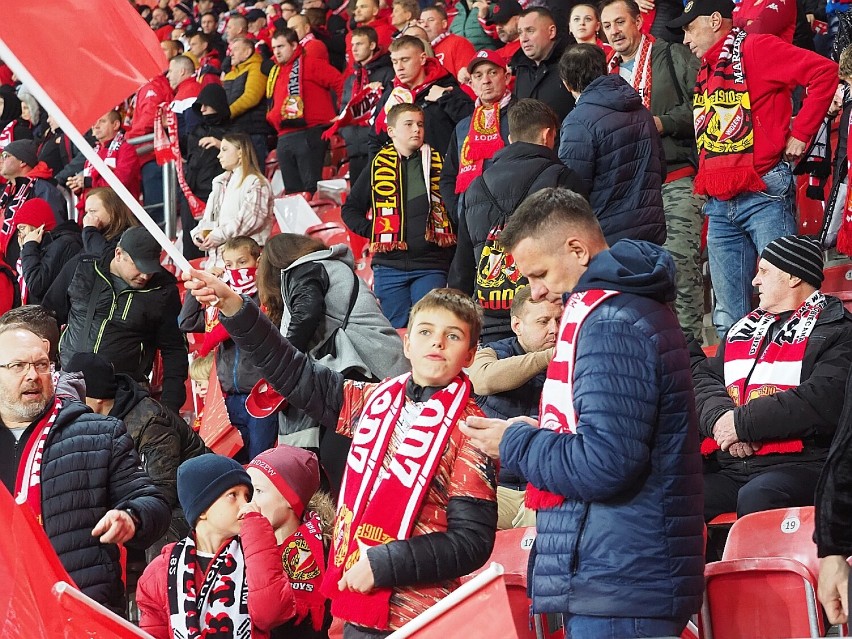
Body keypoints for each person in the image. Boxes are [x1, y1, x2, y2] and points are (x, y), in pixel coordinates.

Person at [181, 273, 498, 639]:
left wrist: (384, 564)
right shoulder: (374, 401)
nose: (437, 343)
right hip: (354, 606)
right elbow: (295, 373)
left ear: (471, 354)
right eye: (426, 332)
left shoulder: (475, 430)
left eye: (453, 336)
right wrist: (236, 307)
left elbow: (472, 542)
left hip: (421, 617)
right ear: (407, 343)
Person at [458, 187, 704, 638]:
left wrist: (514, 441)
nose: (537, 291)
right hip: (623, 572)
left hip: (622, 579)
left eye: (540, 274)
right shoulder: (626, 308)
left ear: (576, 248)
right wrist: (539, 432)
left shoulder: (609, 322)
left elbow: (604, 463)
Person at [668, 0, 837, 336]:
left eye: (689, 28)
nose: (686, 39)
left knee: (786, 305)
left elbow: (824, 72)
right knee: (730, 318)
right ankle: (736, 388)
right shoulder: (707, 70)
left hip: (764, 191)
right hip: (719, 202)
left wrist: (802, 133)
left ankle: (789, 384)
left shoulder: (758, 47)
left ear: (715, 20)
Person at [0, 322, 171, 614]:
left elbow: (154, 502)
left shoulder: (100, 434)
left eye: (41, 364)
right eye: (18, 366)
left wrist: (132, 517)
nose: (33, 375)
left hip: (79, 612)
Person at [692, 235, 852, 522]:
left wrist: (743, 424)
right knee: (675, 495)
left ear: (792, 277)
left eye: (764, 271)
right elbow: (704, 380)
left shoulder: (838, 328)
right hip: (732, 465)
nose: (755, 281)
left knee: (760, 493)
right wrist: (721, 420)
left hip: (804, 464)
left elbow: (822, 400)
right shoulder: (745, 327)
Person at [256, 233, 409, 491]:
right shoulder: (330, 265)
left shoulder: (304, 268)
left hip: (361, 366)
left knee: (340, 458)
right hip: (380, 362)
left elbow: (306, 314)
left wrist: (282, 366)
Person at [601, 0, 704, 342]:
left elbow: (704, 104)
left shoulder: (670, 55)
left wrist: (661, 123)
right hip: (631, 190)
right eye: (607, 26)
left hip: (674, 178)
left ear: (639, 21)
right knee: (642, 278)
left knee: (682, 271)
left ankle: (692, 356)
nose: (614, 31)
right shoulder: (606, 75)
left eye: (620, 22)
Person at [448, 99, 586, 343]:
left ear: (510, 138)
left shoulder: (475, 187)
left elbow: (463, 265)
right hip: (545, 317)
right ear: (548, 134)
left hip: (492, 319)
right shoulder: (562, 177)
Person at [136, 454, 298, 639]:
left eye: (247, 496)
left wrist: (257, 532)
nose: (246, 504)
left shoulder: (257, 553)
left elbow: (271, 614)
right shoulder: (160, 571)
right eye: (233, 495)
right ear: (202, 510)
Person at [42, 226, 188, 413]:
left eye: (150, 269)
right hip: (70, 387)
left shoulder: (163, 291)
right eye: (139, 267)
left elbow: (174, 350)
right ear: (118, 254)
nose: (145, 276)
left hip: (126, 396)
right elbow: (49, 316)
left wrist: (170, 405)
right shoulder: (82, 267)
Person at [344, 103, 456, 329]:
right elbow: (350, 209)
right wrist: (374, 230)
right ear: (391, 130)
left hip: (431, 264)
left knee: (428, 327)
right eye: (409, 124)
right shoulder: (377, 166)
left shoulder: (439, 163)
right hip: (389, 267)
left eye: (420, 124)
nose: (416, 129)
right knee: (396, 334)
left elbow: (454, 208)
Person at [468, 285, 562, 529]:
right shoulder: (494, 352)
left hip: (548, 486)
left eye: (559, 320)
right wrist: (551, 356)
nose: (554, 329)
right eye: (543, 321)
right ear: (517, 325)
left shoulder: (576, 360)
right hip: (499, 488)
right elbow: (483, 379)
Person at [180, 236, 278, 462]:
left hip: (260, 396)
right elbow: (187, 322)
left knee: (258, 463)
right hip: (227, 397)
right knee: (229, 463)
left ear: (258, 261)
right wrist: (203, 287)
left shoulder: (267, 299)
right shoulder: (218, 303)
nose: (236, 270)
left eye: (242, 262)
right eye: (229, 265)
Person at [558, 43, 666, 246]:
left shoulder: (578, 121)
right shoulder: (641, 110)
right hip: (651, 231)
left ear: (567, 84)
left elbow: (573, 190)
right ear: (605, 68)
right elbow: (660, 169)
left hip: (607, 238)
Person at [247, 445, 335, 639]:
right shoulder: (245, 547)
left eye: (259, 491)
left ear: (290, 497)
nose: (250, 502)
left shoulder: (326, 550)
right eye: (249, 492)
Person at [266, 28, 345, 195]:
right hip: (284, 136)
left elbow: (340, 82)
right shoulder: (277, 72)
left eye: (281, 47)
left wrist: (343, 112)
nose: (277, 52)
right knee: (292, 192)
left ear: (294, 45)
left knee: (310, 188)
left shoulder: (311, 63)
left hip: (309, 132)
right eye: (274, 48)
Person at [368, 35, 473, 159]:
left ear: (422, 59)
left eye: (405, 59)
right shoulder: (392, 95)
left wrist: (445, 98)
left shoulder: (445, 87)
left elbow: (472, 122)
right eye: (395, 61)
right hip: (401, 173)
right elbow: (375, 139)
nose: (399, 67)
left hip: (442, 171)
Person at [440, 49, 514, 223]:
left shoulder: (523, 115)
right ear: (472, 84)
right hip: (472, 222)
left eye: (493, 73)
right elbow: (449, 176)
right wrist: (458, 212)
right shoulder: (463, 127)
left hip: (514, 221)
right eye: (478, 76)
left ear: (507, 77)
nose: (486, 81)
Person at [190, 132, 274, 267]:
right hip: (216, 264)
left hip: (245, 264)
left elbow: (250, 220)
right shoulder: (219, 184)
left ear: (240, 152)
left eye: (224, 149)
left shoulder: (257, 182)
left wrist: (218, 235)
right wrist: (199, 235)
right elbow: (208, 221)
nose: (219, 155)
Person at [0, 139, 67, 269]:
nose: (1, 160)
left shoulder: (43, 189)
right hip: (11, 267)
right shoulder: (8, 191)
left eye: (6, 156)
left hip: (32, 267)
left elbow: (52, 232)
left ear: (23, 161)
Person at [340, 26, 394, 184]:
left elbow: (389, 108)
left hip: (378, 147)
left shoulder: (387, 73)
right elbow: (344, 110)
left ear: (371, 45)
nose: (354, 49)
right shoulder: (351, 79)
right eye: (352, 45)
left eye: (359, 44)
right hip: (354, 149)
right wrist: (348, 134)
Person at [65, 110, 141, 212]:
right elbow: (89, 186)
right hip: (93, 214)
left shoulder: (126, 149)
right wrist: (79, 187)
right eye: (94, 122)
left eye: (102, 121)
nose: (96, 126)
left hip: (119, 214)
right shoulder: (94, 152)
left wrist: (88, 182)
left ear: (115, 125)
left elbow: (120, 181)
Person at [511, 8, 575, 123]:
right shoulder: (520, 67)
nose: (524, 39)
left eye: (530, 31)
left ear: (551, 32)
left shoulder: (572, 62)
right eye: (520, 32)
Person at [15, 197, 82, 305]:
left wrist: (29, 246)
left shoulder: (63, 244)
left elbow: (36, 285)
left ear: (38, 226)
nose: (20, 234)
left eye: (22, 228)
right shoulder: (41, 246)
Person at [222, 37, 271, 164]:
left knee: (253, 174)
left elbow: (251, 97)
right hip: (234, 132)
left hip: (252, 133)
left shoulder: (257, 68)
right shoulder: (230, 74)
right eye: (231, 50)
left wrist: (227, 114)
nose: (231, 53)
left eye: (236, 49)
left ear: (248, 52)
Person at [419, 6, 476, 78]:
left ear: (444, 24)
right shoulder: (418, 49)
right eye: (421, 22)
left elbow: (468, 80)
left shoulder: (459, 43)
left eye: (430, 20)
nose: (425, 25)